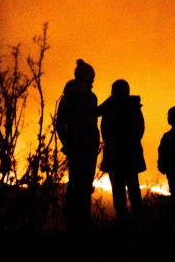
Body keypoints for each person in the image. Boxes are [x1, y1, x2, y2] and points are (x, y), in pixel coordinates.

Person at [55, 59, 99, 231]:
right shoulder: (89, 97)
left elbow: (60, 124)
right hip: (87, 147)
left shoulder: (67, 98)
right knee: (83, 185)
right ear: (88, 77)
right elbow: (89, 124)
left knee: (75, 184)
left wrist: (67, 143)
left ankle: (73, 224)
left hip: (76, 146)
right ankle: (84, 225)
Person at [98, 79, 146, 225]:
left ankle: (125, 222)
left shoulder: (109, 107)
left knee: (119, 191)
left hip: (115, 155)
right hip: (130, 154)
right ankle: (138, 222)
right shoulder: (133, 107)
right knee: (133, 189)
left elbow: (103, 127)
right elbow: (140, 129)